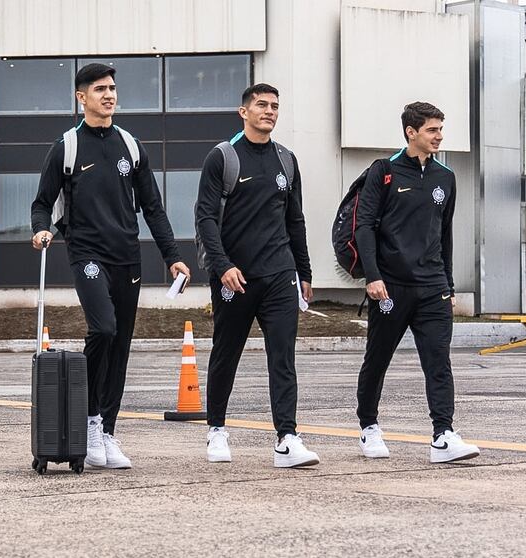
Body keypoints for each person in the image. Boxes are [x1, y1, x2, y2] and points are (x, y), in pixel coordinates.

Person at [31, 63, 190, 469]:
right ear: (81, 97)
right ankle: (88, 420)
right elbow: (42, 202)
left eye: (113, 88)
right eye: (100, 89)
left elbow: (152, 207)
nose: (109, 95)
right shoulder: (66, 147)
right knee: (103, 328)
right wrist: (41, 229)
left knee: (120, 344)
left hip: (127, 256)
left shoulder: (131, 146)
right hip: (86, 253)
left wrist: (172, 256)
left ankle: (107, 430)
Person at [195, 83, 319, 468]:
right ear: (243, 111)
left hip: (280, 274)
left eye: (275, 106)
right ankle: (216, 429)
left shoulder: (286, 160)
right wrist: (223, 265)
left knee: (282, 356)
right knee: (226, 353)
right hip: (235, 277)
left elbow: (294, 219)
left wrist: (304, 272)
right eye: (261, 105)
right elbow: (205, 218)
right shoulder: (224, 158)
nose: (269, 111)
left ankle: (287, 438)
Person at [354, 101, 479, 463]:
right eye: (432, 130)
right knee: (377, 360)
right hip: (390, 288)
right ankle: (369, 427)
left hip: (433, 288)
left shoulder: (445, 178)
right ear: (412, 132)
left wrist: (450, 285)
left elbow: (444, 236)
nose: (439, 136)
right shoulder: (384, 171)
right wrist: (372, 277)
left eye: (440, 129)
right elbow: (364, 226)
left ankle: (443, 434)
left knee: (439, 362)